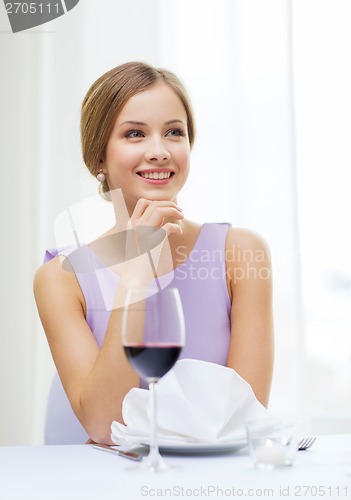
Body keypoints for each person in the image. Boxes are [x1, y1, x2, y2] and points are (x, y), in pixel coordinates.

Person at [34, 61, 274, 445]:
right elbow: (105, 426)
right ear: (99, 157)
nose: (159, 151)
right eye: (135, 134)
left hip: (204, 478)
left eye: (174, 133)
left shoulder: (241, 254)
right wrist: (134, 276)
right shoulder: (62, 278)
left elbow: (243, 418)